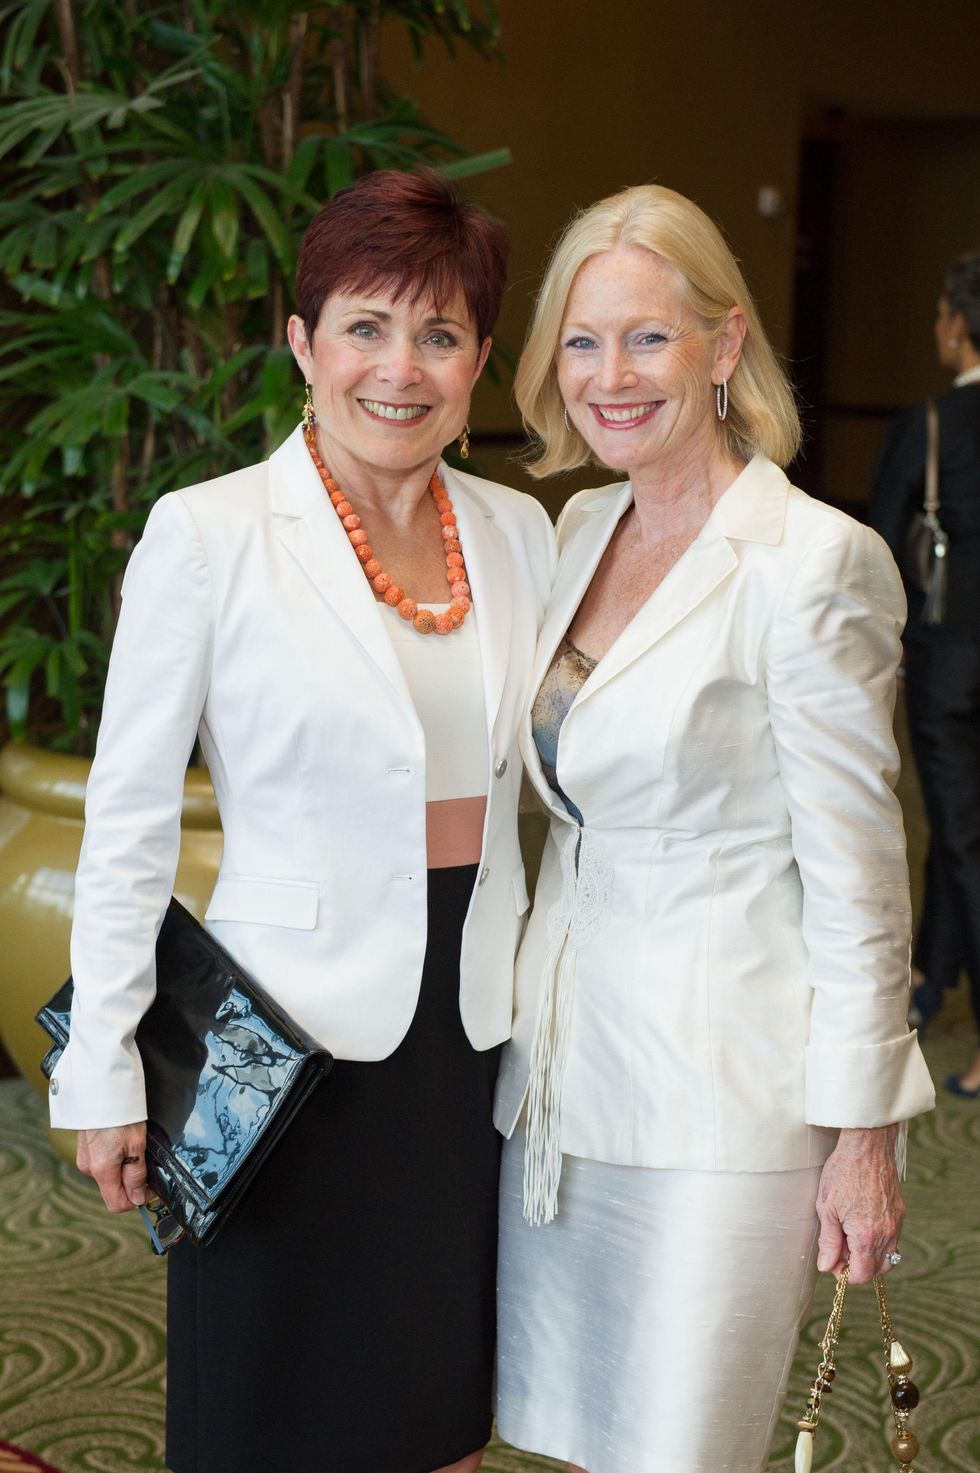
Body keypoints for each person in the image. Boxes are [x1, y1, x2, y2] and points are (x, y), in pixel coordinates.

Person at [46, 168, 556, 1473]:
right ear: (303, 343)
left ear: (481, 359)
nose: (402, 367)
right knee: (270, 1398)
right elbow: (129, 818)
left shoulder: (518, 531)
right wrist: (102, 1064)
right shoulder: (209, 534)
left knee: (436, 1396)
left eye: (440, 335)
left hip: (462, 1020)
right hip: (279, 1040)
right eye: (366, 327)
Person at [491, 184, 936, 1473]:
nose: (608, 375)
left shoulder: (813, 562)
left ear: (722, 345)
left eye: (646, 336)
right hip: (560, 1087)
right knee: (580, 1439)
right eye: (580, 342)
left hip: (721, 1105)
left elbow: (861, 877)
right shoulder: (577, 528)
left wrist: (863, 1137)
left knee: (682, 1449)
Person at [870, 250, 980, 1098]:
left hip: (949, 662)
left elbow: (878, 544)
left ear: (956, 324)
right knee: (960, 825)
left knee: (965, 828)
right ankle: (930, 979)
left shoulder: (932, 423)